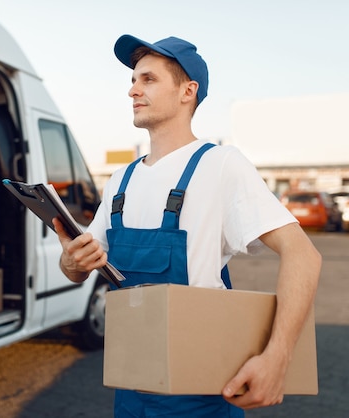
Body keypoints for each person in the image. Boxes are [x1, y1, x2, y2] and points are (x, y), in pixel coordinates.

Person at [52, 34, 322, 417]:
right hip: (130, 384)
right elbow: (76, 272)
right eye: (132, 80)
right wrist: (72, 262)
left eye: (148, 79)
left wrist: (277, 357)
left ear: (187, 91)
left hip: (202, 390)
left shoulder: (220, 165)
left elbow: (303, 255)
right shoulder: (120, 181)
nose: (133, 90)